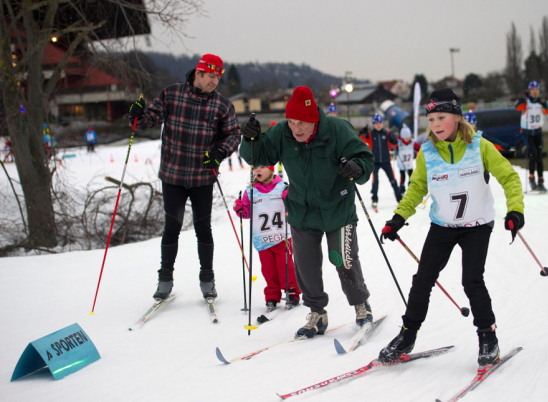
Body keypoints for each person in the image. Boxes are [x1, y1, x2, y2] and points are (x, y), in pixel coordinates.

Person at [377, 89, 524, 370]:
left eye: (441, 117)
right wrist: (398, 218)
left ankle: (487, 337)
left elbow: (508, 176)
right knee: (422, 280)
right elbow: (417, 188)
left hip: (477, 226)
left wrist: (516, 210)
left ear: (457, 117)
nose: (435, 124)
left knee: (472, 280)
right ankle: (407, 336)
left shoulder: (480, 145)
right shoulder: (428, 152)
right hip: (443, 226)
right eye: (431, 119)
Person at [239, 86, 375, 339]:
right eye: (291, 122)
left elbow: (365, 158)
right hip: (302, 211)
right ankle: (317, 313)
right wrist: (250, 139)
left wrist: (357, 167)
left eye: (302, 122)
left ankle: (361, 305)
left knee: (343, 259)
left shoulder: (337, 129)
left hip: (338, 208)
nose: (296, 128)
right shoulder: (282, 133)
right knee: (305, 266)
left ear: (314, 119)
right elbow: (257, 156)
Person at [128, 53, 241, 301]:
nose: (215, 82)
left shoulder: (222, 105)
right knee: (172, 227)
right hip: (173, 175)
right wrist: (138, 116)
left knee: (203, 229)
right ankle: (165, 279)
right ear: (198, 73)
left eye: (218, 77)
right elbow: (148, 120)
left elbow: (234, 135)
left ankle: (207, 279)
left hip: (202, 176)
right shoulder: (171, 94)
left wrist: (220, 152)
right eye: (211, 76)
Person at [233, 165, 301, 310]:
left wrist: (289, 200)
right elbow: (246, 214)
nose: (257, 170)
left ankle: (292, 291)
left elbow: (295, 208)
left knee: (285, 266)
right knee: (268, 270)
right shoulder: (250, 191)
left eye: (262, 167)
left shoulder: (283, 187)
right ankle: (272, 295)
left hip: (282, 236)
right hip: (262, 238)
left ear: (271, 169)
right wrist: (239, 209)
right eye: (255, 168)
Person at [359, 113, 402, 208]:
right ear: (373, 124)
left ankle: (399, 197)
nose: (378, 125)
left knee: (392, 179)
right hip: (375, 162)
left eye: (380, 123)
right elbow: (359, 139)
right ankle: (374, 198)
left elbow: (394, 141)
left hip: (386, 161)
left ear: (382, 123)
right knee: (376, 180)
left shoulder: (386, 133)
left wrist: (393, 139)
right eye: (376, 123)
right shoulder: (370, 134)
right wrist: (362, 132)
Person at [516, 81, 548, 192]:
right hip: (527, 132)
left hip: (537, 132)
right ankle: (531, 179)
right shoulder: (526, 102)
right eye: (533, 90)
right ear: (530, 91)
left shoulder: (540, 102)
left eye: (537, 90)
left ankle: (541, 181)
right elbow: (518, 107)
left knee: (539, 156)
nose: (535, 92)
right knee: (532, 155)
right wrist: (522, 97)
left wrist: (543, 103)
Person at [395, 124, 418, 195]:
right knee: (403, 177)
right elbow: (393, 146)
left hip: (409, 164)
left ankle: (411, 188)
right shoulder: (399, 143)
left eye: (409, 136)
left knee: (411, 177)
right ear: (402, 137)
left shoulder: (412, 142)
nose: (408, 138)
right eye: (406, 137)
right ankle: (402, 189)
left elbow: (419, 148)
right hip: (402, 164)